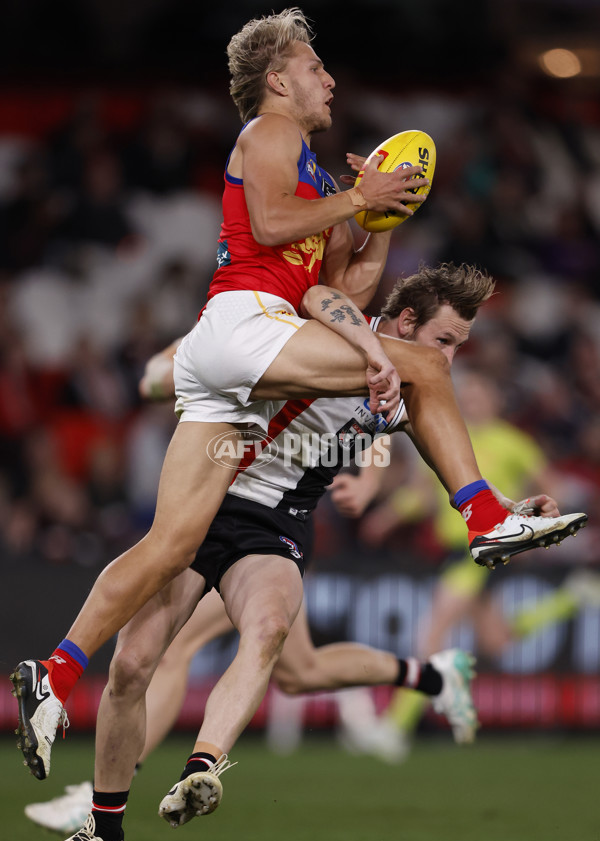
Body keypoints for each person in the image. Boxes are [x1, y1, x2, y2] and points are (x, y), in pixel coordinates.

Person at [12, 7, 586, 793]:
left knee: (171, 544)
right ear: (279, 78)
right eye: (316, 68)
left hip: (234, 355)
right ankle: (484, 514)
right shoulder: (271, 132)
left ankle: (54, 674)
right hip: (246, 322)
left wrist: (380, 216)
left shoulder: (316, 171)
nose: (330, 80)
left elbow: (342, 289)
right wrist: (357, 201)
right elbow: (271, 220)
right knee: (426, 367)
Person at [27, 262, 577, 841]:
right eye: (442, 341)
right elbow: (320, 293)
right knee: (135, 663)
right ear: (402, 322)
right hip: (209, 499)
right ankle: (103, 826)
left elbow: (410, 446)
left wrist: (499, 504)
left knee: (268, 632)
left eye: (458, 347)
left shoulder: (405, 390)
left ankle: (201, 769)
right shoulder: (339, 343)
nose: (448, 358)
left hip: (279, 526)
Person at [339, 367, 595, 761]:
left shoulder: (513, 442)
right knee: (499, 640)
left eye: (479, 394)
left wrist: (524, 510)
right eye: (468, 394)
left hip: (476, 555)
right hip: (458, 556)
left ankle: (394, 730)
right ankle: (571, 599)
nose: (472, 400)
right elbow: (424, 495)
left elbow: (555, 487)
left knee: (430, 635)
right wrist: (388, 516)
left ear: (496, 401)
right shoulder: (449, 436)